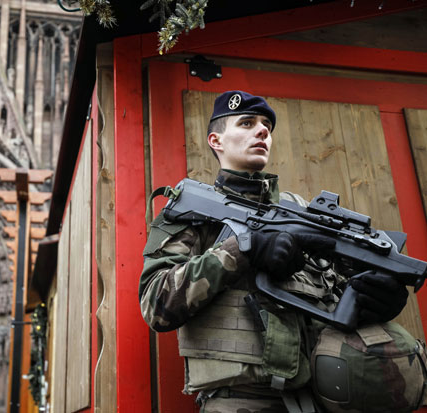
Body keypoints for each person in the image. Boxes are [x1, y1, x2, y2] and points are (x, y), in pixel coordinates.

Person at [139, 91, 423, 412]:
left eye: (266, 126)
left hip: (324, 399)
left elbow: (338, 304)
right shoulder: (194, 213)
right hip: (241, 400)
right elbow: (156, 304)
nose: (262, 130)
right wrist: (243, 249)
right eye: (247, 123)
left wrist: (375, 302)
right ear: (216, 141)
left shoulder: (306, 216)